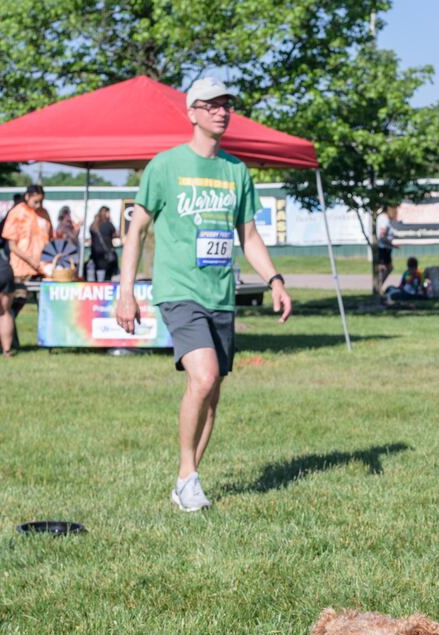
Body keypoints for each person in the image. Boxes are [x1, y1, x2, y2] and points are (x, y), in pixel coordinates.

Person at [114, 77, 292, 513]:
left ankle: (186, 480)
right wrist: (126, 292)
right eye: (211, 105)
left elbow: (249, 236)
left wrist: (275, 280)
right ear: (191, 112)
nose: (221, 111)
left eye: (226, 104)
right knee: (204, 376)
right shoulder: (165, 166)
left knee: (212, 398)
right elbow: (136, 231)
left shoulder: (236, 172)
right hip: (179, 290)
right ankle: (187, 475)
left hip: (220, 294)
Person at [1, 184, 53, 316]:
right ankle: (0, 327)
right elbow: (12, 246)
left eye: (41, 201)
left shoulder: (44, 213)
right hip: (21, 268)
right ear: (27, 197)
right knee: (16, 302)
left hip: (42, 268)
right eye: (36, 201)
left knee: (45, 305)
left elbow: (50, 238)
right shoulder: (17, 213)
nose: (38, 205)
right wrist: (30, 260)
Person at [87, 206, 119, 281]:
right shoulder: (108, 224)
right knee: (106, 276)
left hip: (95, 253)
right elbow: (116, 234)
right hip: (106, 253)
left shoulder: (93, 225)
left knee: (96, 273)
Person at [374, 206, 398, 297]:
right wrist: (391, 244)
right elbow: (382, 235)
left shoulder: (384, 218)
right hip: (383, 248)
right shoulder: (384, 219)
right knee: (384, 268)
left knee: (388, 268)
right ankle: (379, 287)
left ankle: (379, 287)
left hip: (385, 247)